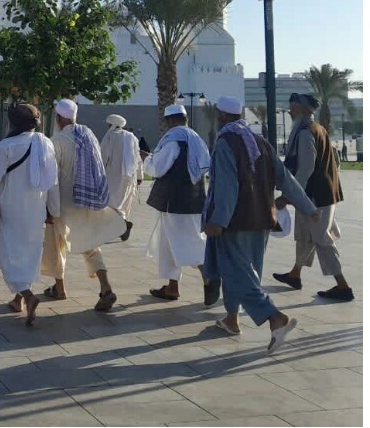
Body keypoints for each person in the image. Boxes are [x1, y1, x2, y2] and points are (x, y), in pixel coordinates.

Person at [203, 96, 320, 354]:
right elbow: (286, 178)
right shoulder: (260, 142)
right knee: (246, 271)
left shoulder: (225, 142)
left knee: (235, 273)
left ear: (222, 116)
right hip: (262, 218)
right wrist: (307, 207)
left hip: (235, 221)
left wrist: (218, 221)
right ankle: (231, 319)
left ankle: (275, 317)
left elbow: (227, 186)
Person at [0, 103, 57, 326]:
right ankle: (18, 299)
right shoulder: (46, 143)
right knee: (29, 253)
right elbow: (53, 181)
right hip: (36, 209)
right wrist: (53, 209)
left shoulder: (8, 146)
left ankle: (28, 296)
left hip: (12, 209)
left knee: (7, 252)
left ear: (13, 123)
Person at [41, 99, 126, 311]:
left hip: (63, 202)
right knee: (91, 244)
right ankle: (105, 287)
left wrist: (49, 208)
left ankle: (59, 288)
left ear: (59, 118)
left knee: (56, 244)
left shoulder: (56, 141)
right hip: (87, 199)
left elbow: (51, 178)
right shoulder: (88, 134)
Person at [272, 93, 353, 301]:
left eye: (294, 108)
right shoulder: (318, 129)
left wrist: (288, 196)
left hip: (315, 197)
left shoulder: (305, 133)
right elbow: (333, 161)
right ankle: (295, 274)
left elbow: (305, 169)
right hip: (317, 194)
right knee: (305, 237)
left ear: (306, 110)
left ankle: (343, 286)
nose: (290, 112)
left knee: (322, 239)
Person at [142, 105, 214, 302]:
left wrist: (146, 159)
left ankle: (209, 278)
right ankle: (172, 288)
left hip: (174, 202)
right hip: (194, 199)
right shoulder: (196, 138)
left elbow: (158, 169)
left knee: (188, 243)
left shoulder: (173, 140)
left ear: (171, 121)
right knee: (168, 244)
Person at [99, 114, 142, 241]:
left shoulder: (110, 136)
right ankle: (122, 226)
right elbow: (138, 158)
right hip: (129, 177)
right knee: (122, 203)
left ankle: (122, 225)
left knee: (110, 204)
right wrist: (139, 176)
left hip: (113, 176)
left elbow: (103, 156)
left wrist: (98, 173)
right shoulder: (132, 137)